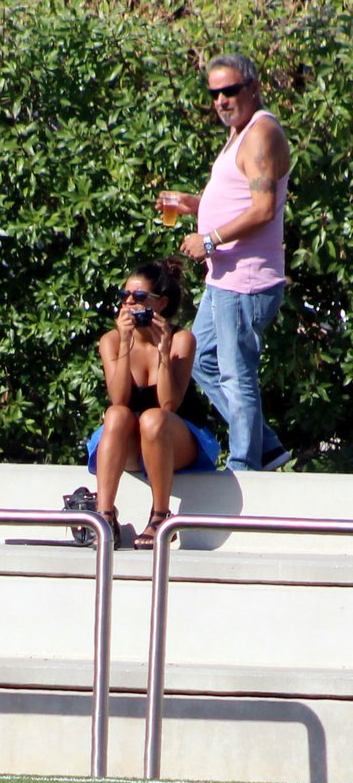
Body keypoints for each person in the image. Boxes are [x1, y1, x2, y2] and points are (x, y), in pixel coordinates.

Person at [163, 53, 291, 472]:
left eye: (230, 91)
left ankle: (245, 464)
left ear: (253, 88)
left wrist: (210, 240)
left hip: (246, 281)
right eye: (214, 93)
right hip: (224, 279)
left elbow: (263, 208)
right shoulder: (241, 133)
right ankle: (265, 446)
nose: (221, 101)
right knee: (199, 359)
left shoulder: (260, 133)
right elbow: (237, 198)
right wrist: (195, 204)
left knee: (237, 374)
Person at [85, 259, 219, 550]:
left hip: (176, 437)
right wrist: (125, 344)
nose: (129, 303)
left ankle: (160, 515)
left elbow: (169, 404)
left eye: (139, 297)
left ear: (161, 303)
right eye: (124, 296)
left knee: (153, 418)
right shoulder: (110, 341)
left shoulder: (181, 339)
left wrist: (163, 353)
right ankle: (105, 516)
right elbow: (120, 398)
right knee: (115, 414)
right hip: (132, 441)